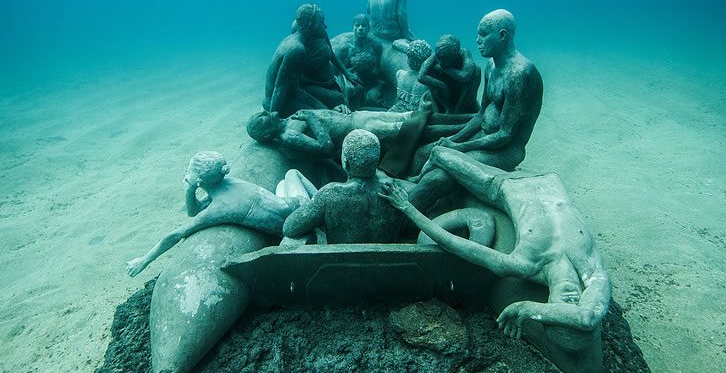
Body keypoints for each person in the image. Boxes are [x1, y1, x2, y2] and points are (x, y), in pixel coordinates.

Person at [380, 146, 611, 337]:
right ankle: (416, 178)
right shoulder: (592, 270)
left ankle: (411, 182)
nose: (570, 301)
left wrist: (406, 206)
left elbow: (452, 242)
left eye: (560, 309)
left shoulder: (523, 264)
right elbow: (588, 317)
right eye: (574, 305)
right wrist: (530, 310)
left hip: (500, 184)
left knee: (440, 153)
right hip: (549, 180)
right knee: (439, 154)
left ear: (548, 303)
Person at [410, 9, 543, 210]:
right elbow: (481, 116)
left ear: (502, 35)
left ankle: (404, 220)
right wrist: (452, 140)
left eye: (483, 34)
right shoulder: (491, 66)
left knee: (437, 178)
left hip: (505, 150)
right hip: (484, 136)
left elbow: (505, 136)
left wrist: (458, 148)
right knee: (422, 153)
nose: (477, 40)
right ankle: (417, 194)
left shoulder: (519, 75)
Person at [126, 151, 316, 277]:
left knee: (291, 174)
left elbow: (177, 233)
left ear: (200, 179)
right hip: (292, 208)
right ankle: (317, 200)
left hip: (297, 217)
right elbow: (194, 210)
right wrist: (191, 189)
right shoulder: (229, 183)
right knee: (285, 181)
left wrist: (144, 260)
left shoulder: (218, 209)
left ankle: (317, 203)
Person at [283, 130, 403, 244]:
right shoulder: (396, 193)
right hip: (385, 263)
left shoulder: (330, 194)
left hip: (338, 264)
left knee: (285, 184)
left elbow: (289, 228)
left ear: (346, 161)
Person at [246, 107, 473, 161]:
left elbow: (325, 118)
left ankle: (470, 118)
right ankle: (464, 129)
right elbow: (325, 147)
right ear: (266, 133)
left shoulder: (290, 119)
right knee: (413, 128)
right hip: (358, 130)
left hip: (356, 117)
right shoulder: (290, 135)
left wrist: (337, 108)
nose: (264, 112)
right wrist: (312, 118)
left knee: (417, 115)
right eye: (261, 118)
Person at [264, 4, 358, 117]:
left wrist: (327, 109)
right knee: (330, 116)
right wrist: (272, 117)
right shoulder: (296, 50)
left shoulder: (296, 41)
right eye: (321, 22)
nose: (325, 26)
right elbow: (279, 88)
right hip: (282, 102)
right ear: (311, 25)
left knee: (332, 110)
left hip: (293, 93)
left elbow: (293, 88)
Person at [330, 14, 386, 108]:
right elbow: (339, 70)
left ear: (369, 28)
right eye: (357, 25)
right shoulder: (346, 47)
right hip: (353, 82)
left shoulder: (376, 46)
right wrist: (351, 72)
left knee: (372, 100)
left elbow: (377, 70)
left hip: (370, 82)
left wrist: (367, 67)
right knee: (347, 100)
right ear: (353, 28)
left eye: (364, 25)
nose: (360, 28)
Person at [417, 34, 481, 114]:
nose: (439, 62)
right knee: (430, 71)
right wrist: (441, 85)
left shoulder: (464, 52)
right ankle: (446, 107)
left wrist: (444, 69)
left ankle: (460, 108)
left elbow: (465, 75)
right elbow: (420, 76)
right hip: (444, 90)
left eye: (443, 59)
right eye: (439, 58)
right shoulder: (438, 54)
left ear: (455, 54)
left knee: (477, 70)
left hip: (459, 86)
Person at [389, 39, 433, 112]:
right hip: (415, 116)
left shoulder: (400, 74)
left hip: (395, 112)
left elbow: (396, 101)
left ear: (409, 59)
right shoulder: (428, 83)